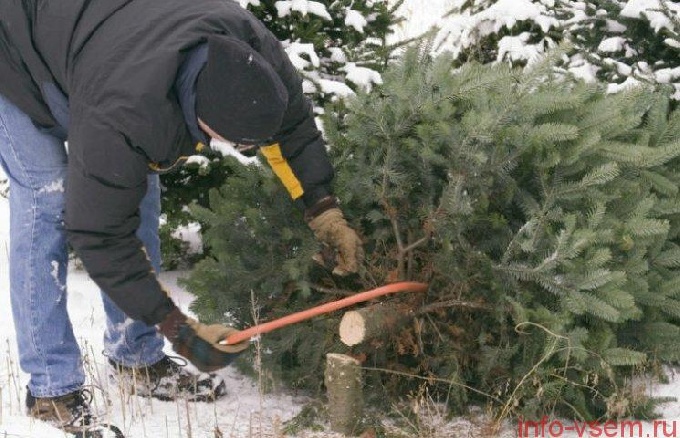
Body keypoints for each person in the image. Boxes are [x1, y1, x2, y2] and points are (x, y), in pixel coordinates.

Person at [0, 0, 363, 435]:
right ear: (201, 116)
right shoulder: (127, 110)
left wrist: (324, 211)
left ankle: (136, 356)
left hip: (96, 40)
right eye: (230, 142)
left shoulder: (253, 54)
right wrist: (178, 327)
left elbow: (294, 130)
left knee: (139, 190)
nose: (238, 152)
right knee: (47, 199)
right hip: (13, 52)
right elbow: (99, 233)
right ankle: (51, 388)